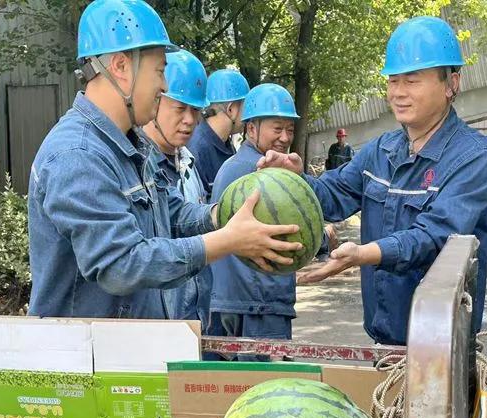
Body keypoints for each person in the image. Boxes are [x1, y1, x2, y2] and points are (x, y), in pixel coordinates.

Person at [27, 0, 302, 319]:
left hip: (129, 346)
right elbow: (121, 264)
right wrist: (225, 242)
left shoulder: (130, 146)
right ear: (120, 66)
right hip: (88, 350)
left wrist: (232, 211)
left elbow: (171, 213)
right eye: (159, 71)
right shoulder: (78, 154)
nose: (165, 85)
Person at [256, 16, 487, 346]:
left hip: (444, 350)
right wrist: (295, 180)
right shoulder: (380, 151)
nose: (398, 93)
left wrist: (364, 254)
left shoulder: (474, 157)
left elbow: (435, 236)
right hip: (382, 342)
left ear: (451, 84)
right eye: (393, 81)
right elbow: (332, 194)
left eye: (411, 81)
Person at [209, 83, 300, 350]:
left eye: (290, 129)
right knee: (264, 376)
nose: (285, 137)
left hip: (231, 299)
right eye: (277, 128)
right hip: (259, 301)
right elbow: (286, 233)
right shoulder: (262, 173)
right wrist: (325, 241)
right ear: (251, 129)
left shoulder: (232, 165)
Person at [142, 49, 212, 329]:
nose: (190, 120)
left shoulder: (189, 163)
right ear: (155, 101)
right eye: (180, 108)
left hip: (196, 320)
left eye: (195, 110)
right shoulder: (138, 168)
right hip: (157, 329)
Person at [187, 69, 250, 199]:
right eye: (246, 107)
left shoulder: (226, 144)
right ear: (231, 109)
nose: (248, 116)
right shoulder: (197, 149)